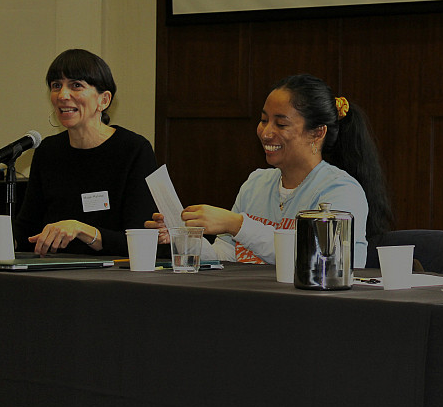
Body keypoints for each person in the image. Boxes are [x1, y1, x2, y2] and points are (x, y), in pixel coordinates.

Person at [150, 74, 392, 267]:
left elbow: (321, 264)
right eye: (264, 120)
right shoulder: (256, 183)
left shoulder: (340, 190)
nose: (265, 132)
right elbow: (226, 259)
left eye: (281, 124)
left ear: (317, 133)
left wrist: (237, 224)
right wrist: (184, 238)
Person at [12, 49, 158, 256]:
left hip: (111, 276)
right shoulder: (48, 151)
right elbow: (27, 230)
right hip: (52, 273)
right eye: (56, 86)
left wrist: (83, 231)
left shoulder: (133, 150)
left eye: (76, 85)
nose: (62, 95)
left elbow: (141, 238)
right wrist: (6, 239)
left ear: (104, 100)